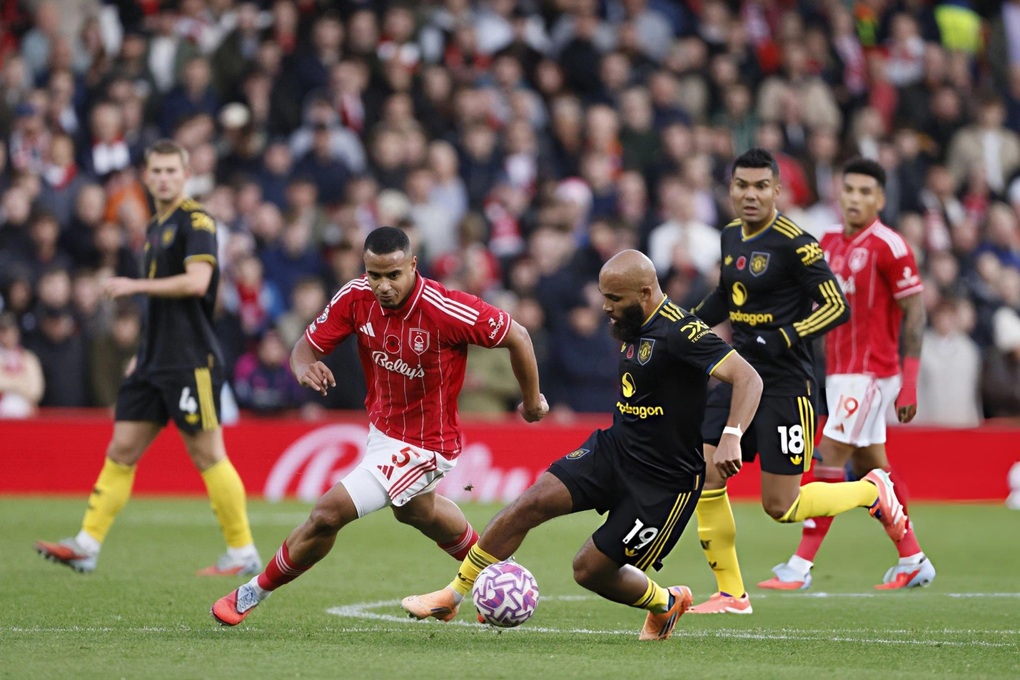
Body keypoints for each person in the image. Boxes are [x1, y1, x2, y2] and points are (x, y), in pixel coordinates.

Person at [402, 250, 764, 641]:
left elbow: (749, 378)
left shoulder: (682, 332)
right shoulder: (633, 321)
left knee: (588, 570)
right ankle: (453, 594)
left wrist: (731, 436)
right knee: (531, 503)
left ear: (645, 292)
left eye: (614, 299)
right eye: (603, 296)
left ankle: (665, 603)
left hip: (663, 482)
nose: (605, 307)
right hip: (615, 449)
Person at [210, 226, 549, 626]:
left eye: (393, 275)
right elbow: (305, 347)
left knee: (327, 514)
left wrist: (530, 401)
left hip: (427, 443)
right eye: (375, 275)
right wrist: (303, 368)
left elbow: (519, 336)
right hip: (383, 431)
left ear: (413, 266)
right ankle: (496, 572)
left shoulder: (446, 308)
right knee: (417, 512)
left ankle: (252, 592)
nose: (383, 286)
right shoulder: (355, 296)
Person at [686, 148, 906, 615]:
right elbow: (727, 295)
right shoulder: (729, 238)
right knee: (706, 473)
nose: (750, 194)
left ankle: (872, 491)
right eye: (742, 185)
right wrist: (682, 325)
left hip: (787, 386)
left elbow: (834, 305)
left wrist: (783, 336)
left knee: (780, 506)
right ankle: (732, 594)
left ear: (776, 191)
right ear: (730, 190)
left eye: (761, 186)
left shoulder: (796, 243)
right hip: (738, 375)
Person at [34, 140, 262, 576]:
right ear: (145, 175)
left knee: (208, 454)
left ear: (186, 173)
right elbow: (163, 308)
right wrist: (143, 353)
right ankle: (86, 544)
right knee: (121, 448)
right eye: (155, 171)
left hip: (190, 360)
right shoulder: (155, 227)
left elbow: (198, 282)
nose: (163, 178)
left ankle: (242, 550)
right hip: (154, 361)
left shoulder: (197, 221)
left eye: (171, 171)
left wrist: (135, 287)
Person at [759, 158, 935, 591]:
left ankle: (798, 568)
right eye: (849, 190)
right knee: (876, 468)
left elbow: (915, 313)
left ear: (880, 199)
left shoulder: (890, 246)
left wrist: (908, 380)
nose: (854, 198)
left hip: (871, 374)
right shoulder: (829, 243)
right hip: (838, 372)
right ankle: (913, 558)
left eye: (864, 192)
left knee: (829, 459)